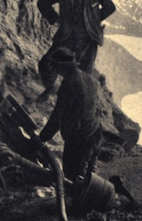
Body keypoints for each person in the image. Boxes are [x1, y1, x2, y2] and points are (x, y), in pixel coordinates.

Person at [37, 0, 115, 93]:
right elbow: (43, 2)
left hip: (88, 38)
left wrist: (93, 20)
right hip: (67, 35)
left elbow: (110, 7)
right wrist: (56, 19)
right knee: (46, 63)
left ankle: (75, 100)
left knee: (84, 73)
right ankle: (50, 87)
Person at [37, 47, 103, 182]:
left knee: (74, 180)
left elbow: (57, 117)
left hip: (80, 141)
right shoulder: (90, 79)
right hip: (96, 134)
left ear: (60, 67)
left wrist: (41, 138)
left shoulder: (69, 84)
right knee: (91, 178)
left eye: (55, 67)